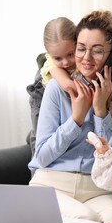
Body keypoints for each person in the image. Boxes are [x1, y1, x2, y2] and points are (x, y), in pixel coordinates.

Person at [28, 10, 112, 223]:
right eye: (80, 49)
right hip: (52, 183)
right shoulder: (56, 89)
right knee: (87, 219)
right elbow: (41, 156)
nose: (86, 58)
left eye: (97, 51)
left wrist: (101, 113)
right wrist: (76, 120)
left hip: (96, 189)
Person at [26, 17, 77, 156]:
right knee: (38, 142)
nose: (66, 62)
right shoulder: (50, 68)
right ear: (49, 55)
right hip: (41, 99)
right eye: (58, 58)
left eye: (70, 54)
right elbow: (69, 85)